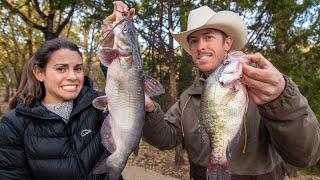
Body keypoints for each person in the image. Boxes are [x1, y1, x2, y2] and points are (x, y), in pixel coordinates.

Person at [143, 5, 320, 180]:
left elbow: (306, 155)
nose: (200, 46)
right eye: (193, 41)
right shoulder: (188, 97)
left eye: (208, 37)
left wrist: (281, 101)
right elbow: (165, 139)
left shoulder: (266, 88)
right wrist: (149, 108)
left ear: (227, 43)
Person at [0, 38, 121, 179]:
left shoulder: (100, 105)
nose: (73, 77)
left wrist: (112, 41)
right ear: (39, 73)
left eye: (78, 69)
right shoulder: (14, 124)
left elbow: (124, 82)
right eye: (61, 69)